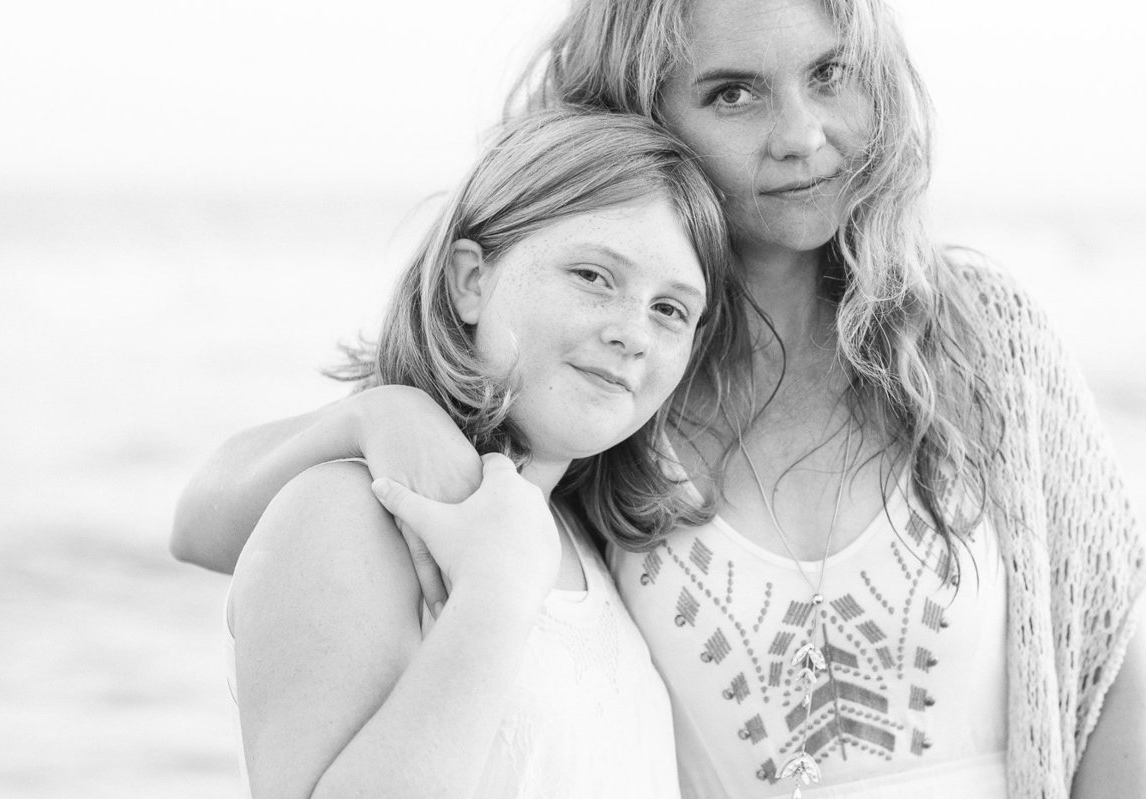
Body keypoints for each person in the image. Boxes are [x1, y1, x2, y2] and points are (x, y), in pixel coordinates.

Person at [174, 1, 1146, 797]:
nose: (803, 136)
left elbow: (1111, 659)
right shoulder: (615, 408)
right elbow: (235, 533)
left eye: (832, 73)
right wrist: (375, 414)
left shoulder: (980, 344)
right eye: (733, 92)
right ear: (648, 114)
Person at [225, 108, 744, 798]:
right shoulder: (350, 514)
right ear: (472, 280)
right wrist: (495, 591)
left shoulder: (587, 548)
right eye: (593, 275)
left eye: (671, 310)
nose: (633, 333)